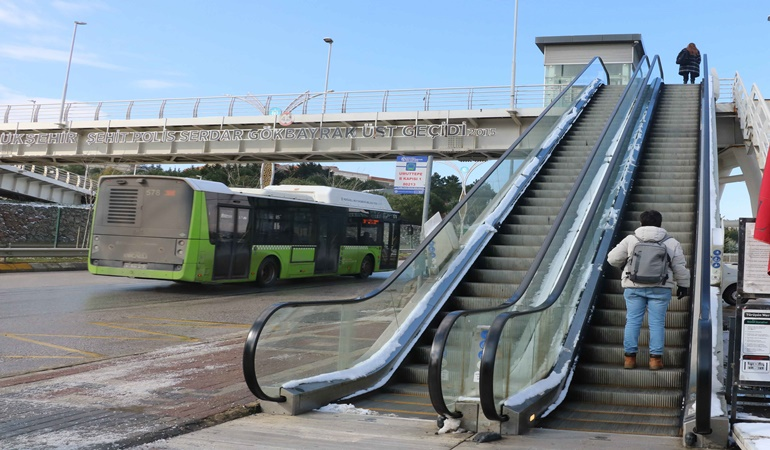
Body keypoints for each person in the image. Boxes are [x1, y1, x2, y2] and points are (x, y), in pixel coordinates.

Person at [607, 210, 690, 371]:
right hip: (660, 288)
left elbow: (612, 258)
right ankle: (655, 360)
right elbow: (679, 267)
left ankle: (629, 359)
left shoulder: (631, 239)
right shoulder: (671, 242)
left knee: (632, 321)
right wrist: (683, 285)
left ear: (641, 223)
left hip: (634, 286)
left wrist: (624, 266)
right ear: (660, 223)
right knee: (657, 323)